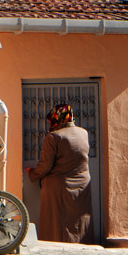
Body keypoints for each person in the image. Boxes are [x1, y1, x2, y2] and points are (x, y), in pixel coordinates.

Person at [27, 104, 94, 244]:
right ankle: (82, 244)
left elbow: (45, 166)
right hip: (82, 185)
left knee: (58, 223)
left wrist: (32, 174)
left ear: (56, 118)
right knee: (79, 221)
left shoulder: (53, 137)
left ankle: (57, 247)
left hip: (59, 188)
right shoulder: (84, 133)